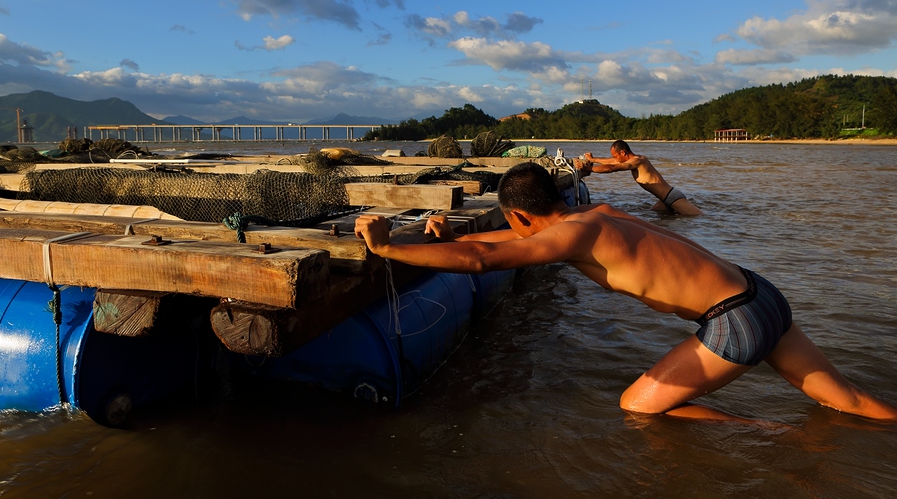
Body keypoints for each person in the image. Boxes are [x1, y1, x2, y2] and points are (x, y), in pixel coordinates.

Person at [353, 162, 897, 422]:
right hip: (761, 293)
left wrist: (387, 247)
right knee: (849, 401)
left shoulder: (568, 235)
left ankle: (769, 436)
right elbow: (506, 238)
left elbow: (482, 258)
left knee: (638, 408)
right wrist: (453, 233)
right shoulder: (597, 215)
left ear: (519, 211)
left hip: (736, 320)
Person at [579, 140, 702, 215]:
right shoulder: (635, 159)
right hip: (664, 201)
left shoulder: (637, 161)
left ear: (623, 153)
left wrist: (588, 169)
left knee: (698, 218)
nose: (615, 159)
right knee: (655, 216)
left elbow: (611, 168)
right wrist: (593, 159)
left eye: (616, 155)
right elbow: (611, 162)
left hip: (673, 198)